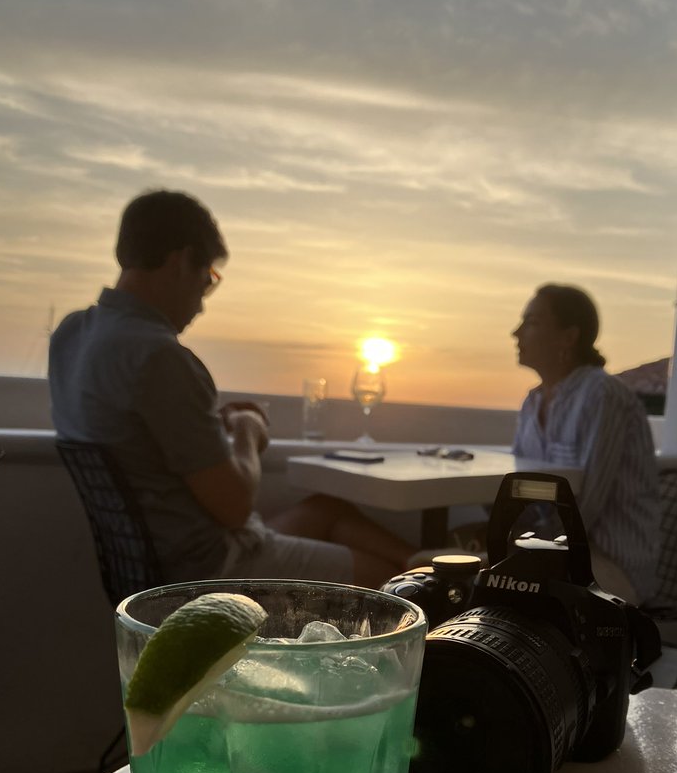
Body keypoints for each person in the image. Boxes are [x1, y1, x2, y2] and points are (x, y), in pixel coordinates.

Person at [49, 189, 412, 588]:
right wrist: (248, 429)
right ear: (181, 261)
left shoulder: (71, 334)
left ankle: (432, 561)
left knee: (329, 510)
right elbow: (235, 507)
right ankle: (432, 577)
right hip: (210, 574)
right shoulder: (159, 357)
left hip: (154, 566)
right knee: (404, 588)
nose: (202, 305)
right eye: (207, 280)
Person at [511, 284, 659, 605]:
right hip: (554, 549)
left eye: (532, 322)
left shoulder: (602, 395)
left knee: (471, 580)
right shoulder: (532, 402)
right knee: (444, 569)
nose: (516, 332)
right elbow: (519, 491)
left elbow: (586, 505)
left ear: (568, 337)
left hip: (611, 567)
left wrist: (517, 549)